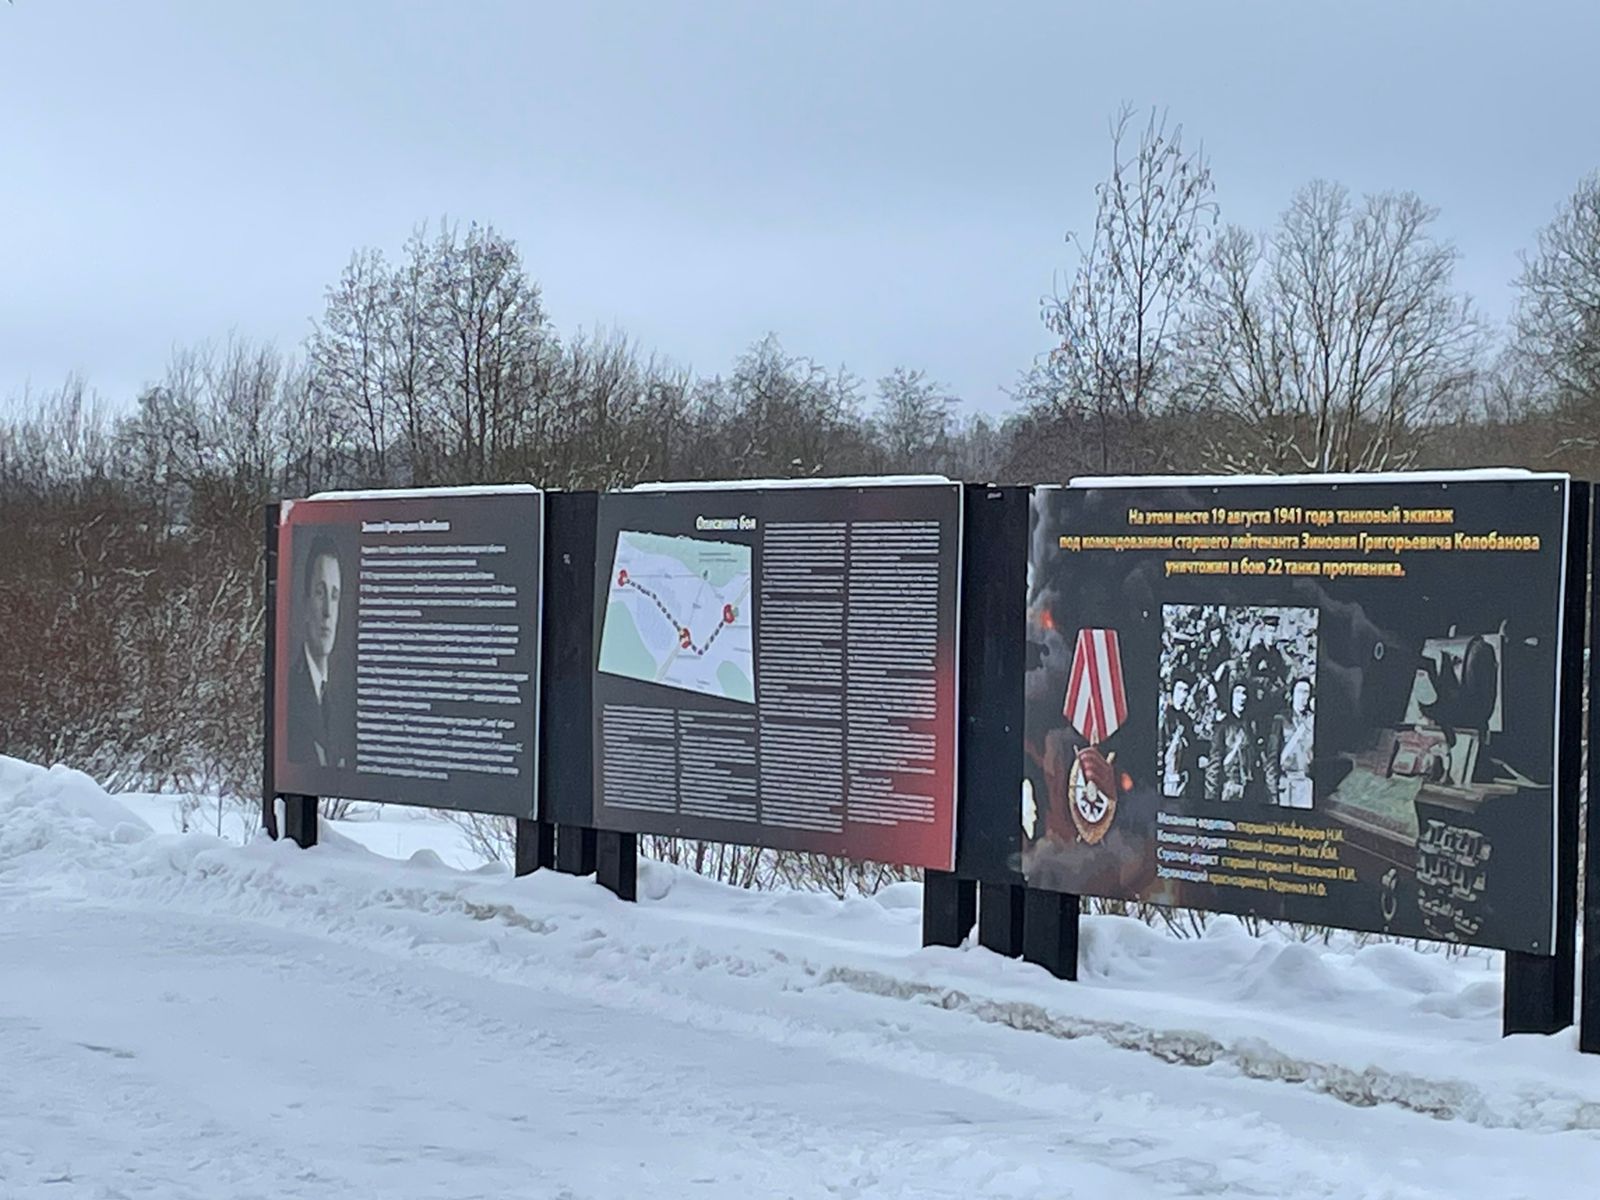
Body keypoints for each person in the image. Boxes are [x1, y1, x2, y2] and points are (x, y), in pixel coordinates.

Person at [287, 533, 349, 768]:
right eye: (320, 593)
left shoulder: (338, 702)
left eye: (334, 597)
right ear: (304, 604)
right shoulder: (291, 692)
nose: (327, 613)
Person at [1208, 683, 1263, 804]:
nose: (1242, 697)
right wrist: (1211, 798)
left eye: (1244, 693)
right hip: (1229, 789)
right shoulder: (1223, 727)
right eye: (1237, 692)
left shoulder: (1251, 727)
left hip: (1249, 790)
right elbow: (1214, 764)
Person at [1271, 676, 1315, 809]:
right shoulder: (1280, 719)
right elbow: (1272, 757)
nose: (1303, 697)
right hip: (1286, 782)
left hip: (1306, 783)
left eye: (1307, 692)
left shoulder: (1311, 720)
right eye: (1300, 691)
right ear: (1292, 694)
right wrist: (1273, 793)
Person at [1159, 673, 1199, 799]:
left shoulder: (1186, 719)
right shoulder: (1164, 716)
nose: (1183, 695)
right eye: (1180, 690)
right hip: (1168, 779)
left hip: (1184, 780)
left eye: (1186, 691)